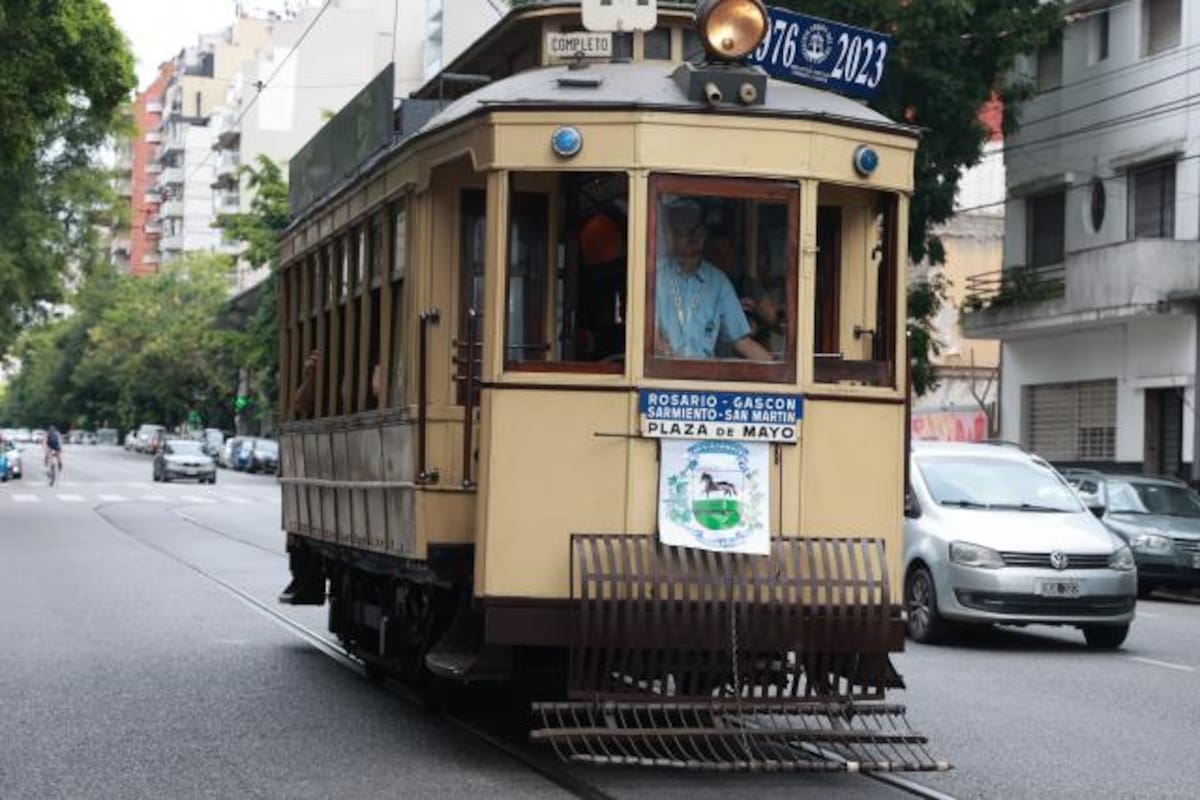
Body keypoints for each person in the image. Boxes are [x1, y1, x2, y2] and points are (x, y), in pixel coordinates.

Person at [654, 199, 771, 361]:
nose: (694, 240)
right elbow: (647, 335)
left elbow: (742, 341)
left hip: (704, 377)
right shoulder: (655, 276)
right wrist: (669, 356)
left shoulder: (718, 281)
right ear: (670, 236)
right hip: (661, 375)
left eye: (698, 232)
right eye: (686, 232)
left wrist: (776, 371)